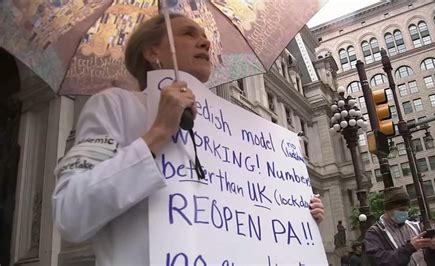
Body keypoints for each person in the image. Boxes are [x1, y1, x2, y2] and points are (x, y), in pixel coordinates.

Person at [51, 13, 325, 266]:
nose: (205, 42)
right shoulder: (114, 105)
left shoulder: (226, 130)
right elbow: (70, 214)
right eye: (188, 34)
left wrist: (296, 211)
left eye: (204, 36)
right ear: (152, 52)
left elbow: (243, 217)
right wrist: (157, 133)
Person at [364, 186, 435, 265]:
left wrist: (434, 249)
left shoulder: (416, 227)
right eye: (401, 209)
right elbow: (379, 261)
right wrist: (410, 248)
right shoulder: (375, 233)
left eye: (407, 210)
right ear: (387, 209)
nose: (405, 213)